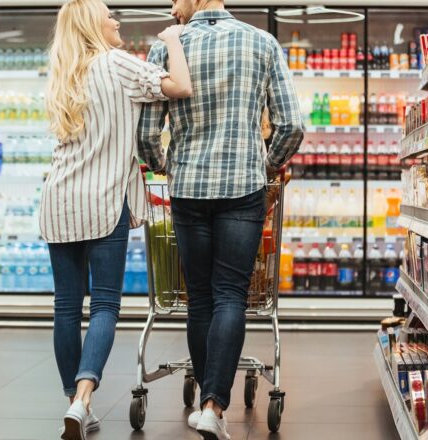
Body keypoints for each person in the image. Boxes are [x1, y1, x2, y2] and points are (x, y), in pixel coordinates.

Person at [138, 0, 304, 439]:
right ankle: (213, 405)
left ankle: (208, 403)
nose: (172, 4)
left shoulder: (167, 47)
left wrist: (165, 166)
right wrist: (266, 166)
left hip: (189, 188)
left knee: (200, 298)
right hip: (243, 188)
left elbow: (146, 134)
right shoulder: (262, 42)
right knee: (231, 294)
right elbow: (292, 125)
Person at [41, 1, 192, 439]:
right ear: (93, 23)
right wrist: (172, 39)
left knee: (66, 307)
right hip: (104, 201)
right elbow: (180, 86)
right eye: (110, 14)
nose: (117, 21)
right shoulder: (119, 64)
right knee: (105, 304)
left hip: (58, 200)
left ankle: (74, 402)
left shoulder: (64, 71)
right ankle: (84, 398)